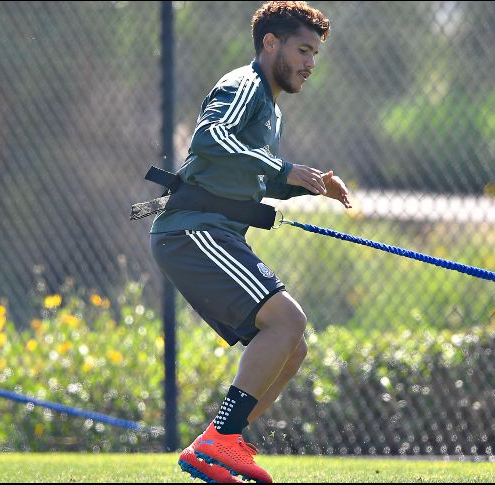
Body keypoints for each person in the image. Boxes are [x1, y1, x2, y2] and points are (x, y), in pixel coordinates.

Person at [149, 1, 350, 482]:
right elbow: (209, 136)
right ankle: (219, 441)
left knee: (291, 344)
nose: (309, 64)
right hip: (191, 230)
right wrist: (283, 168)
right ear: (270, 43)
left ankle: (219, 442)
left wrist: (304, 183)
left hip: (206, 232)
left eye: (315, 55)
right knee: (288, 320)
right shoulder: (246, 85)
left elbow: (247, 173)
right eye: (303, 50)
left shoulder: (271, 111)